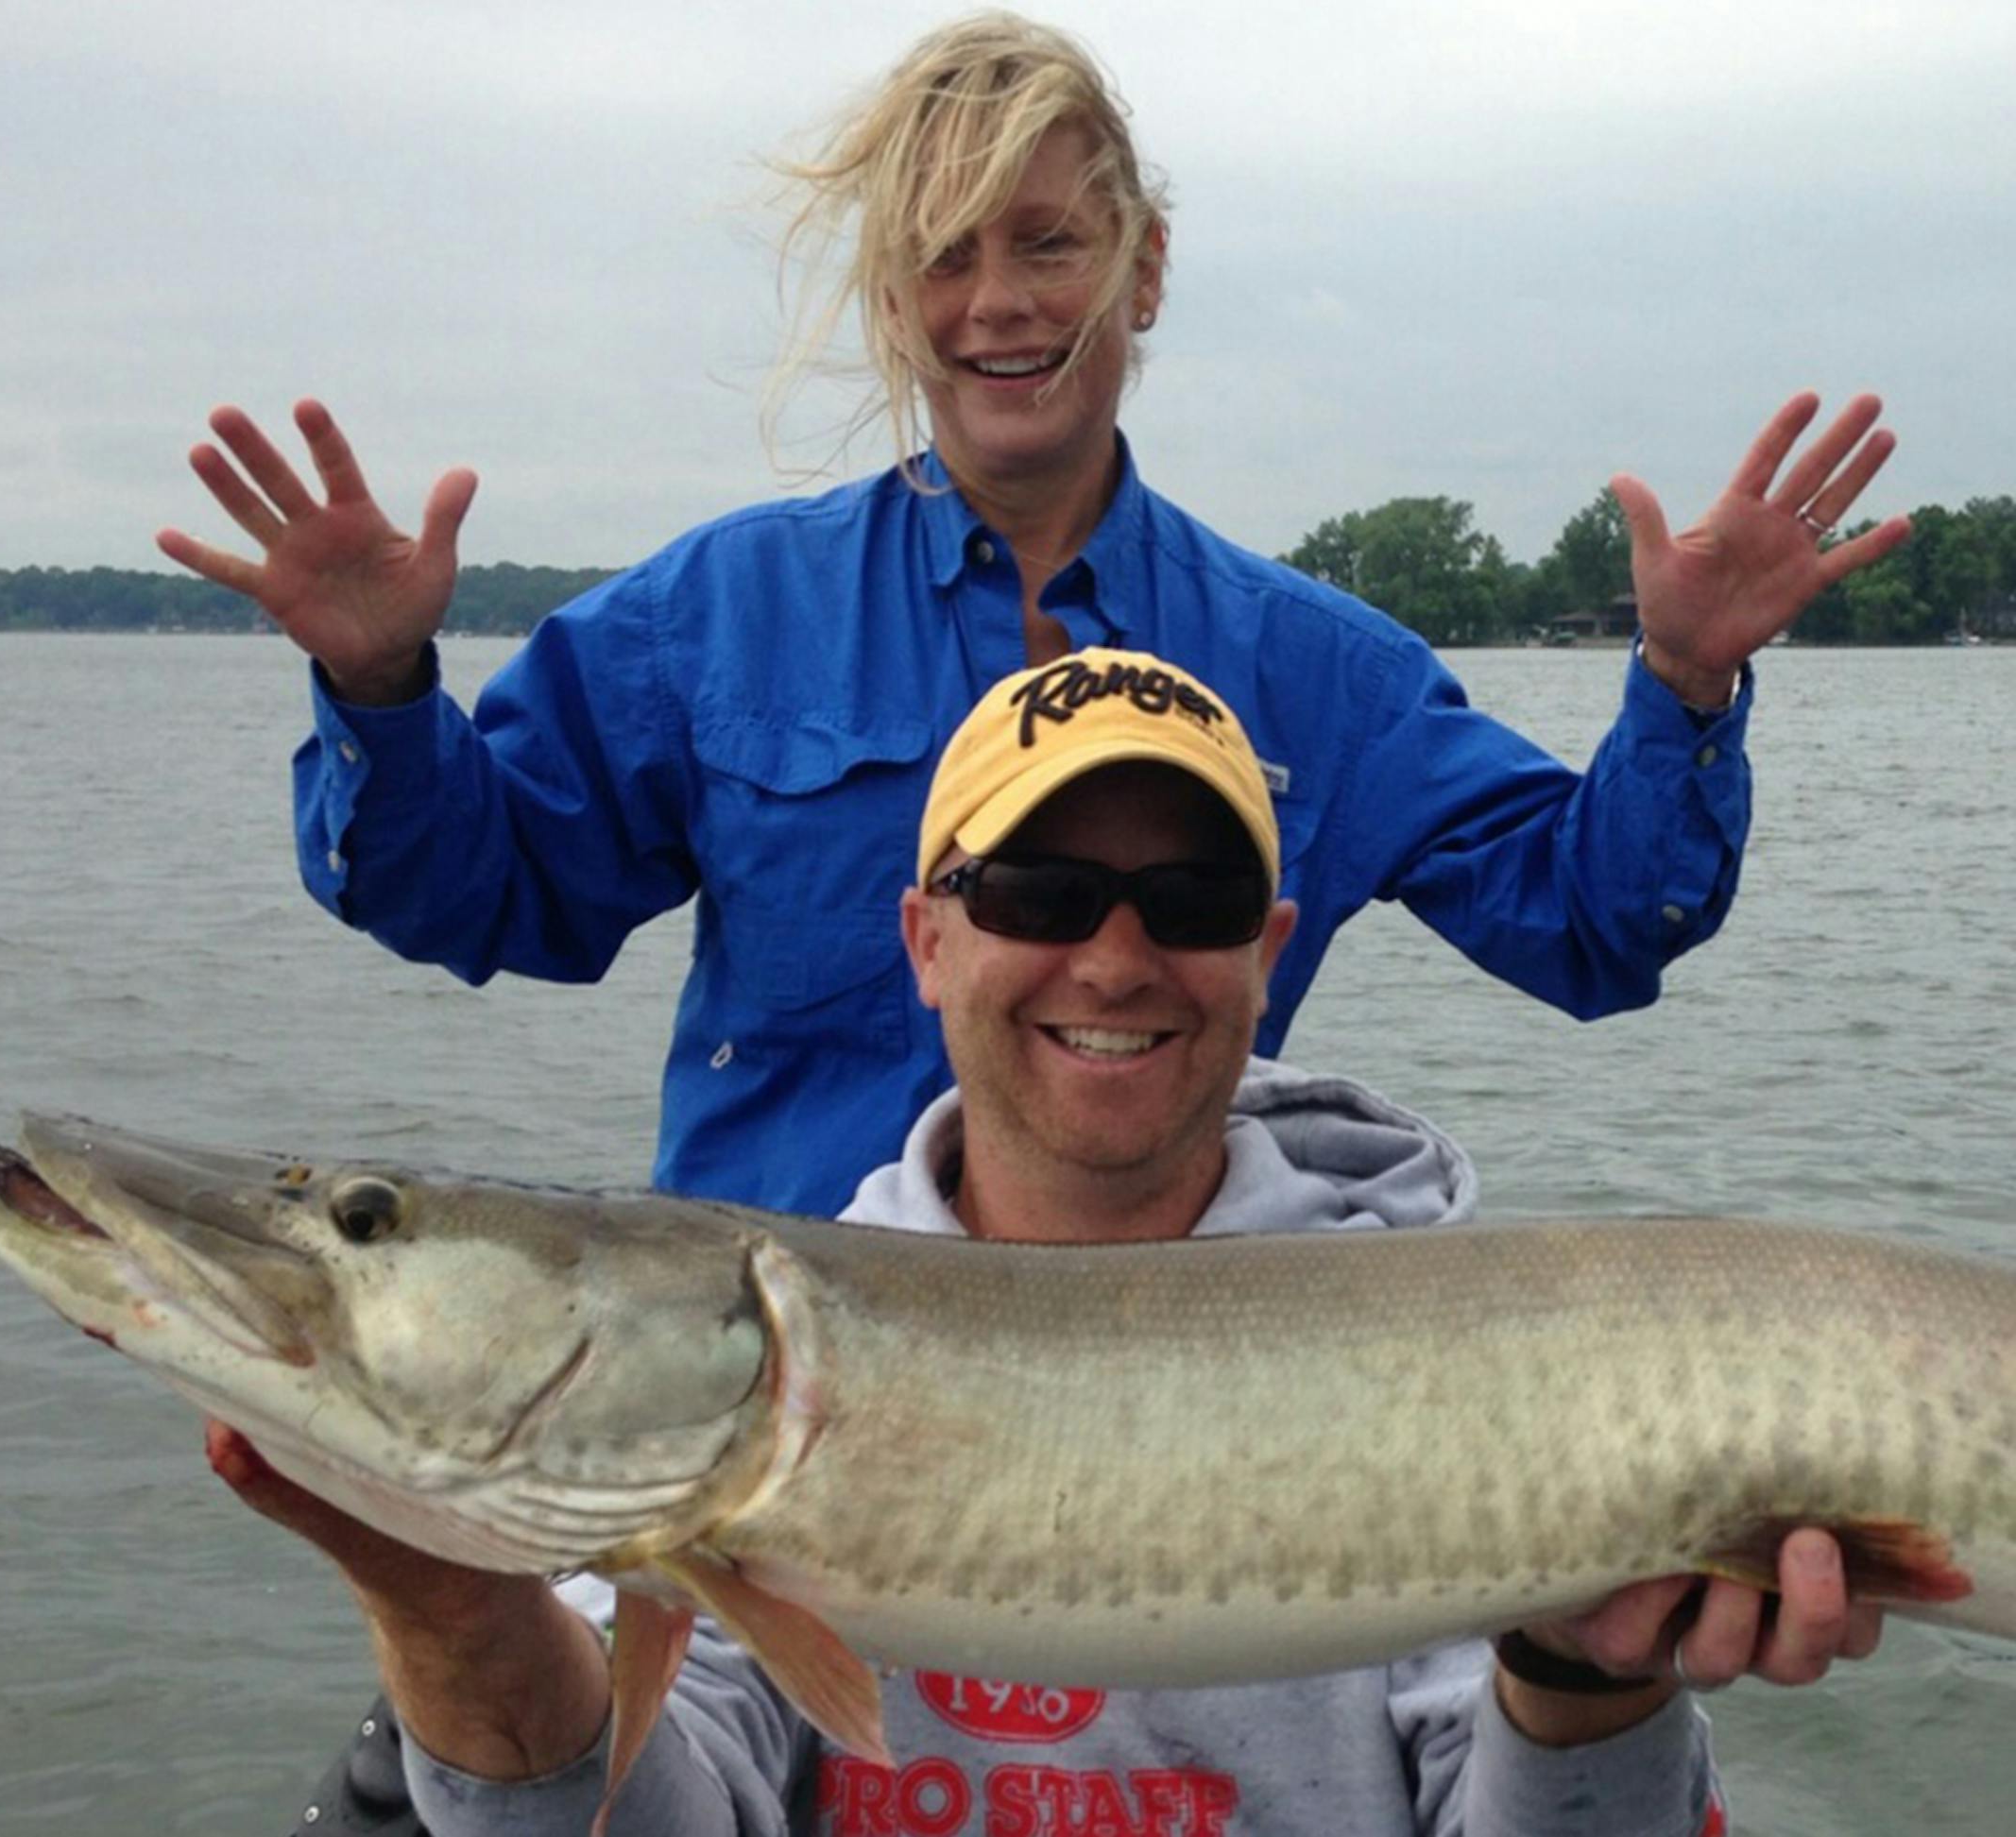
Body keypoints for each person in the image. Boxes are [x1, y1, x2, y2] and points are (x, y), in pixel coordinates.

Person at [159, 13, 1910, 1228]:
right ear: (891, 298)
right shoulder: (711, 621)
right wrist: (378, 683)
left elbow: (1594, 925)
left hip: (1154, 1408)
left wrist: (1686, 681)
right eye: (941, 255)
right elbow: (476, 895)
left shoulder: (1320, 668)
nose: (996, 302)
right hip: (780, 1403)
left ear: (1144, 269)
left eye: (1051, 244)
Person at [218, 650, 1887, 1836]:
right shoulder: (736, 1397)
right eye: (1033, 888)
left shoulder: (1442, 1330)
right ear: (926, 937)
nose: (1114, 953)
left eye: (1191, 897)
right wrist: (455, 1617)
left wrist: (1580, 1682)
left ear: (1268, 948)